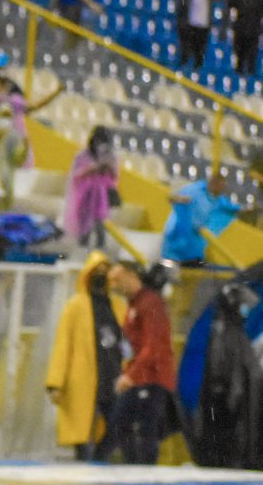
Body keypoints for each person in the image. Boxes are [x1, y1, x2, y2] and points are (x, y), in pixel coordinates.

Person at [45, 251, 126, 460]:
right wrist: (56, 383)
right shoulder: (75, 306)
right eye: (97, 271)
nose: (101, 275)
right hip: (83, 379)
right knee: (83, 434)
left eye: (105, 271)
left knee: (112, 429)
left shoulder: (118, 306)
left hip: (114, 378)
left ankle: (100, 464)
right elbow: (63, 345)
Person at [106, 260, 178, 464]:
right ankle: (137, 468)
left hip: (151, 378)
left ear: (132, 275)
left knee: (140, 427)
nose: (114, 285)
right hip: (142, 377)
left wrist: (131, 375)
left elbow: (153, 345)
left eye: (117, 279)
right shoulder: (135, 304)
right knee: (130, 425)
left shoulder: (149, 303)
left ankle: (142, 470)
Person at [163, 167, 240, 266]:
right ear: (213, 183)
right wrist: (180, 199)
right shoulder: (195, 190)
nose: (222, 190)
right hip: (177, 245)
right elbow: (171, 197)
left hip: (195, 247)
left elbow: (231, 208)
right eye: (221, 186)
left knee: (197, 270)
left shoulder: (217, 198)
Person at [62, 127, 121, 249]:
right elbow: (76, 175)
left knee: (100, 225)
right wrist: (91, 169)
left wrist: (108, 168)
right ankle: (82, 249)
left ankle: (100, 251)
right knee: (84, 226)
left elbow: (114, 176)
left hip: (101, 196)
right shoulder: (82, 156)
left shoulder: (110, 156)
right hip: (85, 195)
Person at [178, 0, 216, 72]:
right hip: (189, 22)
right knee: (186, 50)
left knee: (199, 52)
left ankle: (197, 71)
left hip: (203, 23)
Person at [231, 0, 263, 79]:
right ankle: (238, 76)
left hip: (254, 29)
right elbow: (229, 6)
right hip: (240, 28)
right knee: (239, 55)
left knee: (252, 57)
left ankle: (251, 77)